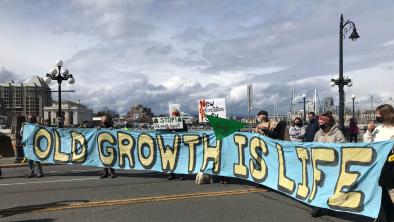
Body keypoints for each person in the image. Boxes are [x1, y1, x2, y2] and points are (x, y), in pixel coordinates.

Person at [310, 112, 346, 218]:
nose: (319, 124)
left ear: (328, 123)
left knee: (330, 186)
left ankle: (329, 205)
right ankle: (318, 206)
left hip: (332, 165)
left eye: (321, 122)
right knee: (319, 185)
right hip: (320, 163)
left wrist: (329, 147)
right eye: (319, 122)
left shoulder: (337, 133)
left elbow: (343, 145)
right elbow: (313, 144)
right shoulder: (318, 133)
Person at [363, 104, 394, 222]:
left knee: (389, 193)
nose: (376, 116)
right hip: (377, 165)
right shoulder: (378, 128)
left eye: (378, 114)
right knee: (380, 194)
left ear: (387, 114)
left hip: (390, 166)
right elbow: (368, 143)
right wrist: (368, 130)